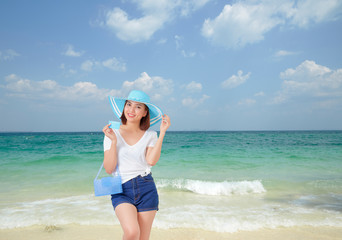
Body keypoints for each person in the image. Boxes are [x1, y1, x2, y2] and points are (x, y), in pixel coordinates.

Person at [102, 90, 170, 240]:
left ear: (145, 112)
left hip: (146, 186)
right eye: (129, 104)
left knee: (143, 238)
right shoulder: (112, 133)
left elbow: (151, 161)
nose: (131, 110)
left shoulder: (151, 135)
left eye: (138, 107)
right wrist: (113, 141)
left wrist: (162, 133)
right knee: (132, 232)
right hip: (121, 189)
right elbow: (109, 169)